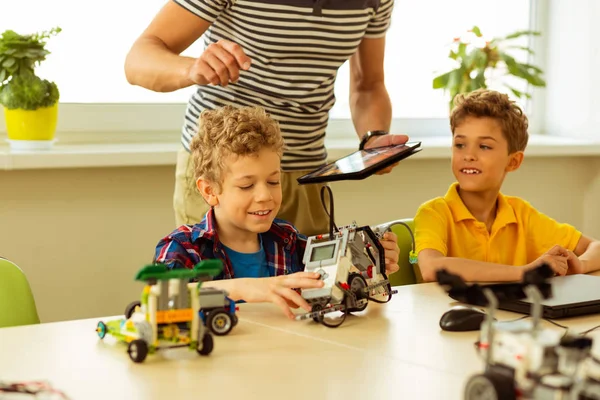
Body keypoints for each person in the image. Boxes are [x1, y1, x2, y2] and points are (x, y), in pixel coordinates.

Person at [124, 0, 409, 235]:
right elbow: (139, 59)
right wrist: (192, 68)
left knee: (310, 293)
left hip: (304, 173)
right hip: (227, 170)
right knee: (220, 294)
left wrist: (374, 139)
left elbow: (368, 85)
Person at [153, 105, 400, 319]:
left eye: (273, 181)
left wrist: (370, 261)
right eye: (247, 185)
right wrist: (244, 289)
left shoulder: (288, 242)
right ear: (209, 190)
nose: (265, 196)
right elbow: (160, 300)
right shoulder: (183, 248)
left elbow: (336, 292)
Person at [414, 89, 600, 282]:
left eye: (484, 146)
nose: (468, 155)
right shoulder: (434, 213)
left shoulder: (522, 215)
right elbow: (432, 268)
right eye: (460, 144)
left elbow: (596, 247)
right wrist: (525, 272)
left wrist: (581, 264)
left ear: (513, 162)